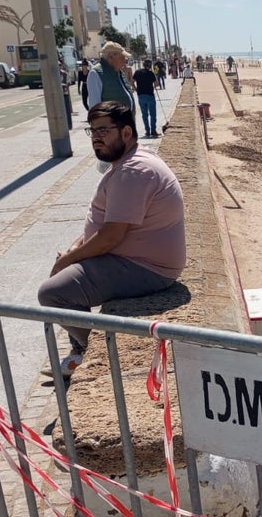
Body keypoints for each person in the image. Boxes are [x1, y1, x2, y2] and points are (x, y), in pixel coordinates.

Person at [38, 101, 186, 379]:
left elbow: (111, 236)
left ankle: (89, 352)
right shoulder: (131, 162)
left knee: (52, 292)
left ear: (126, 132)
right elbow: (109, 223)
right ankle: (79, 351)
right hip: (132, 258)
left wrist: (68, 260)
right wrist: (76, 247)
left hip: (146, 268)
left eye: (104, 130)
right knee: (66, 277)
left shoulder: (133, 172)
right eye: (92, 130)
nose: (96, 137)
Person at [85, 41, 134, 112]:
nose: (125, 60)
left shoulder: (119, 72)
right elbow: (94, 109)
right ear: (110, 57)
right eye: (122, 57)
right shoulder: (95, 74)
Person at [132, 58, 159, 138]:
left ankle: (147, 131)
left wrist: (136, 89)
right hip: (150, 95)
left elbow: (132, 81)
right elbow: (156, 84)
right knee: (153, 114)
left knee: (144, 114)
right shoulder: (151, 73)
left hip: (141, 96)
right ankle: (153, 131)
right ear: (150, 65)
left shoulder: (137, 72)